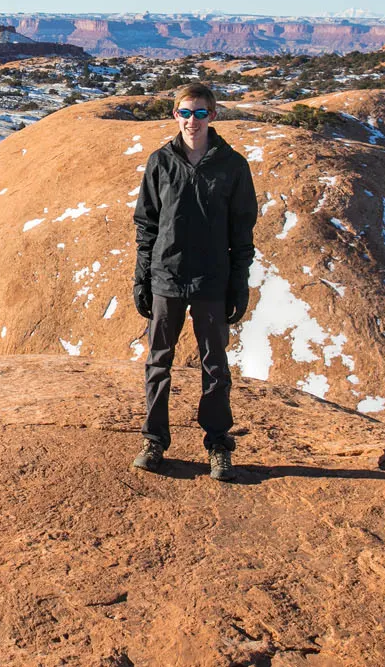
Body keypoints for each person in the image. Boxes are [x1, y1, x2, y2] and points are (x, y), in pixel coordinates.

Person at [131, 83, 258, 481]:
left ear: (213, 116)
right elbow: (146, 225)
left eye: (200, 113)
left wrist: (239, 284)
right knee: (158, 362)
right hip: (166, 277)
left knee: (215, 366)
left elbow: (242, 233)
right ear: (175, 116)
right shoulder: (160, 162)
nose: (192, 121)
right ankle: (154, 440)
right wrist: (142, 279)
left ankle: (218, 444)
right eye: (185, 113)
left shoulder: (232, 166)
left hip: (211, 280)